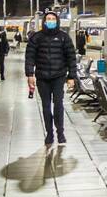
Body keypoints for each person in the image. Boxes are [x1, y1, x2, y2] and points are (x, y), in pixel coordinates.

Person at [24, 10, 77, 146]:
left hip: (59, 77)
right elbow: (29, 57)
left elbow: (71, 57)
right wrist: (30, 74)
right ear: (44, 21)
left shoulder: (64, 37)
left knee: (58, 105)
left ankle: (60, 132)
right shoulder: (36, 37)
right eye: (49, 18)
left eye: (53, 18)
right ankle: (49, 133)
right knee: (46, 107)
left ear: (57, 21)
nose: (51, 20)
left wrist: (71, 76)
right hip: (42, 77)